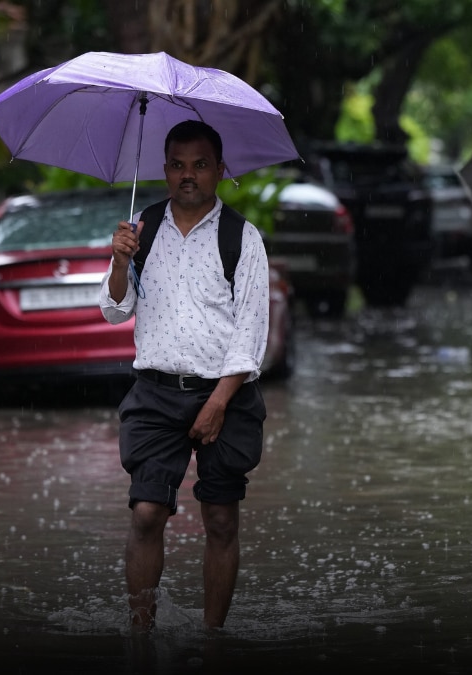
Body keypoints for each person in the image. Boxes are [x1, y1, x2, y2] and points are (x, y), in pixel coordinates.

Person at [98, 120, 269, 631]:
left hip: (227, 394)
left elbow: (252, 330)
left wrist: (218, 402)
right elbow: (113, 310)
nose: (187, 175)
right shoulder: (140, 229)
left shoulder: (243, 237)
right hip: (154, 391)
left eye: (199, 165)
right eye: (177, 165)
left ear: (220, 170)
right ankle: (142, 638)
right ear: (165, 169)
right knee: (147, 513)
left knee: (219, 519)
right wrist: (119, 262)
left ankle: (213, 640)